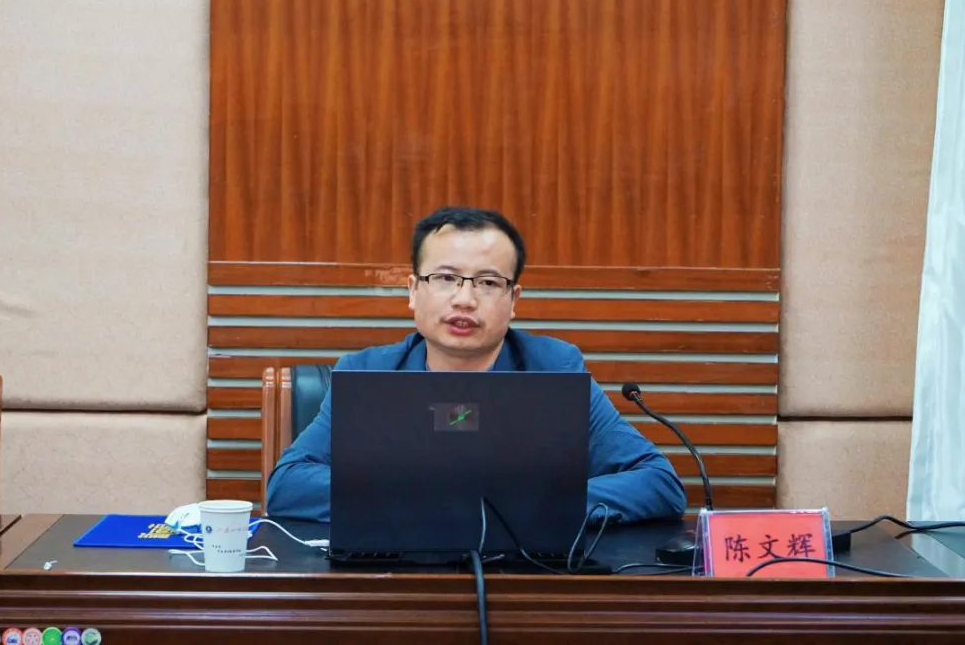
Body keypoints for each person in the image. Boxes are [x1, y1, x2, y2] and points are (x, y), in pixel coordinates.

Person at [266, 206, 687, 523]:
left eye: (487, 282)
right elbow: (288, 485)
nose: (464, 299)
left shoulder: (555, 370)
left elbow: (658, 483)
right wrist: (438, 500)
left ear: (513, 300)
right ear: (413, 291)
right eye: (446, 278)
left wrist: (518, 508)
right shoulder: (366, 375)